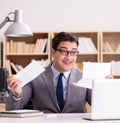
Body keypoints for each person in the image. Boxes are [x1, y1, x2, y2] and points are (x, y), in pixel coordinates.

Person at [6, 32, 111, 113]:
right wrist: (17, 93)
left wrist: (106, 90)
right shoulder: (36, 75)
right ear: (53, 52)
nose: (69, 57)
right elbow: (12, 110)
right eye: (64, 51)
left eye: (73, 52)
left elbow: (102, 109)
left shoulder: (85, 76)